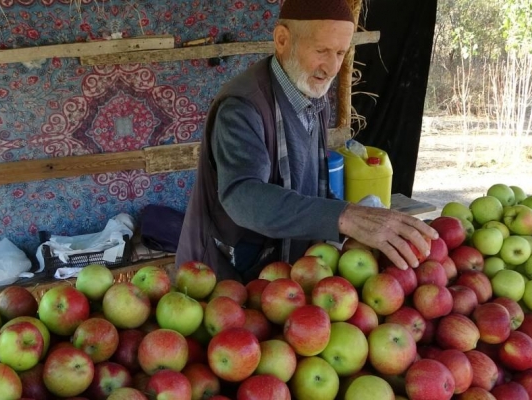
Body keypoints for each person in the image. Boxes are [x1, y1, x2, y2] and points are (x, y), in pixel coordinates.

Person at [176, 0, 437, 281]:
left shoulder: (313, 95)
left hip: (284, 277)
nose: (332, 67)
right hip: (222, 277)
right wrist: (344, 217)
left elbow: (310, 185)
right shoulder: (242, 106)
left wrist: (358, 217)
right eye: (321, 50)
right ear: (282, 39)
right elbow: (242, 195)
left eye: (340, 52)